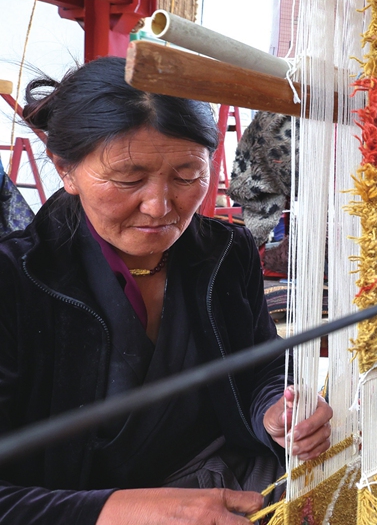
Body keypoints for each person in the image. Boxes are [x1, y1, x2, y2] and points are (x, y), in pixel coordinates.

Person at [0, 58, 334, 524]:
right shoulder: (15, 280)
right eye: (128, 179)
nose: (159, 207)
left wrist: (275, 410)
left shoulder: (226, 252)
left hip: (235, 482)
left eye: (186, 176)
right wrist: (125, 510)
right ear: (65, 170)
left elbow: (260, 363)